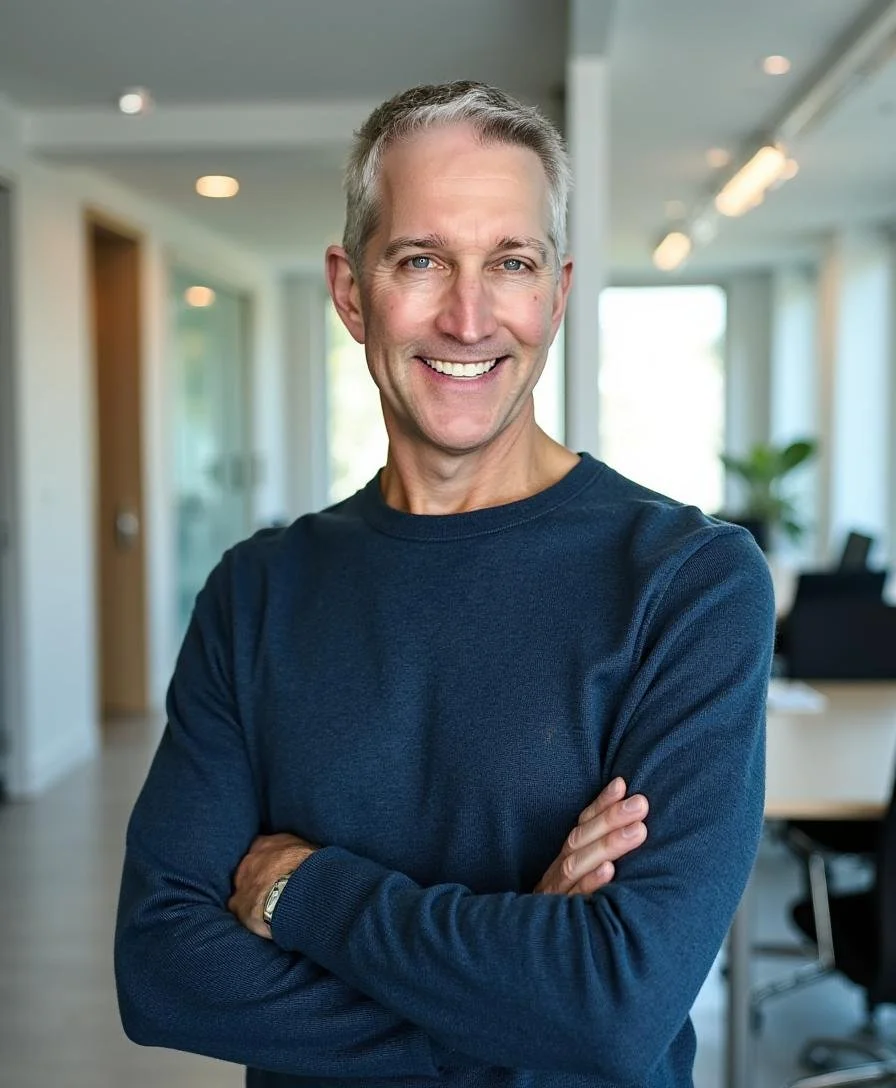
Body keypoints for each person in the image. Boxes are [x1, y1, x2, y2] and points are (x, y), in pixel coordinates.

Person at [115, 81, 775, 1087]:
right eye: (420, 260)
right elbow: (161, 968)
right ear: (349, 290)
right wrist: (513, 996)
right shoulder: (256, 591)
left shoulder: (686, 584)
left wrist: (303, 889)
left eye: (508, 263)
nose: (468, 317)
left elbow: (613, 1004)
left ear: (553, 293)